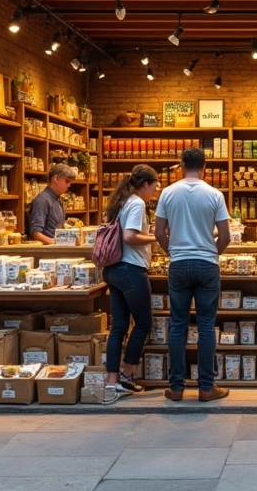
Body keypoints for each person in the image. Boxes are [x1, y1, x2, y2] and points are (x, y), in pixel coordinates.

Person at [155, 147, 232, 402]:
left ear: (180, 165)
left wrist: (174, 252)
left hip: (179, 264)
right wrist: (212, 254)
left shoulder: (168, 192)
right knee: (206, 326)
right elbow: (226, 235)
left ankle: (176, 388)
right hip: (207, 265)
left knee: (178, 326)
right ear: (205, 166)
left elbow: (159, 233)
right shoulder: (214, 194)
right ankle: (206, 387)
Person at [101, 164, 159, 395]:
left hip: (114, 270)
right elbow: (130, 236)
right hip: (131, 269)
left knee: (119, 328)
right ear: (144, 184)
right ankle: (127, 375)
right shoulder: (136, 203)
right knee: (143, 323)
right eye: (154, 186)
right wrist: (157, 237)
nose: (155, 191)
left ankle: (111, 381)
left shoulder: (122, 201)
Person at [28, 164, 77, 244]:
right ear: (55, 179)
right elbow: (36, 234)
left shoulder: (57, 199)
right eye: (67, 181)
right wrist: (56, 243)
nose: (69, 184)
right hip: (48, 251)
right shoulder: (42, 201)